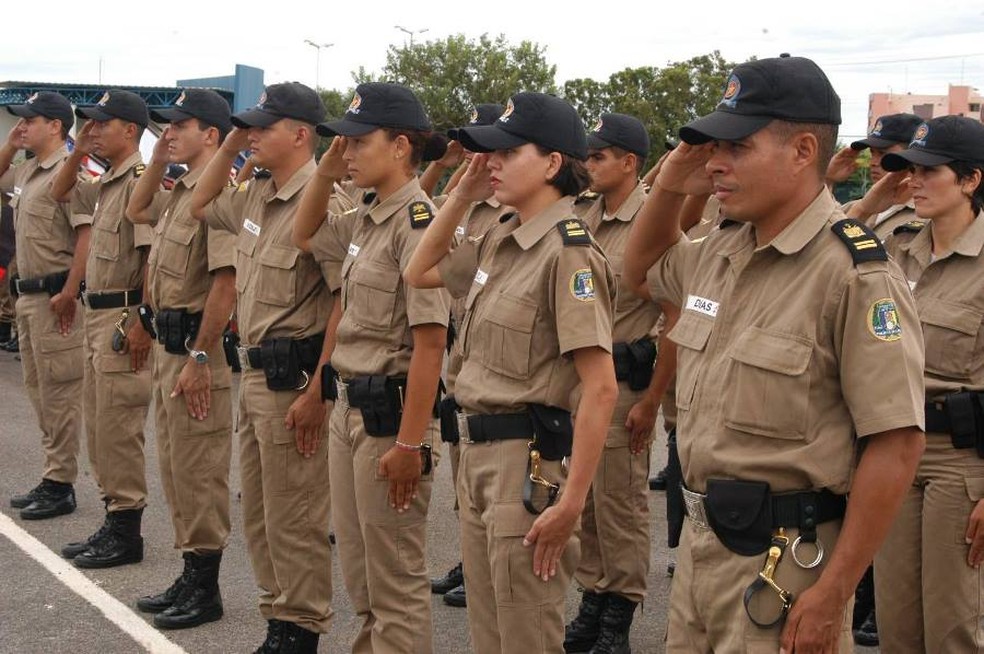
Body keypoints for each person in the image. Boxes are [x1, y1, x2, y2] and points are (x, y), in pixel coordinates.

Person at [622, 55, 926, 652]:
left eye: (737, 146)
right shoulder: (722, 249)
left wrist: (835, 591)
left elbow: (896, 444)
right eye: (714, 147)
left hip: (785, 567)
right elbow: (640, 271)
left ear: (803, 150)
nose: (716, 162)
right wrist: (672, 181)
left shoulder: (854, 275)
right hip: (702, 553)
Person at [403, 91, 618, 654]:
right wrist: (461, 194)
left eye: (506, 151)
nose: (490, 162)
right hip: (477, 455)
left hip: (526, 467)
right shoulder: (501, 235)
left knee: (525, 637)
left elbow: (600, 387)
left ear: (552, 163)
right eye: (488, 152)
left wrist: (571, 503)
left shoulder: (568, 253)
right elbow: (418, 269)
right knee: (489, 635)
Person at [292, 81, 450, 654]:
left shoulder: (419, 223)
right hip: (349, 409)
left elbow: (431, 344)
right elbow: (304, 235)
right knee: (361, 573)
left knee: (394, 577)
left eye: (359, 141)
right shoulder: (366, 216)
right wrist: (326, 171)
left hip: (390, 419)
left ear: (401, 146)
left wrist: (410, 444)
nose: (348, 151)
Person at [190, 81, 336, 654]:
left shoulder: (324, 203)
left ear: (300, 135)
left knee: (295, 514)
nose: (251, 134)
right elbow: (201, 204)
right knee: (260, 513)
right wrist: (231, 146)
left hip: (293, 381)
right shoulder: (256, 194)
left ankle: (300, 629)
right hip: (253, 375)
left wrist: (320, 389)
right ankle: (278, 619)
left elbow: (344, 302)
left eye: (262, 127)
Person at [124, 88, 237, 629]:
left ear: (211, 135)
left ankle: (205, 587)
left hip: (198, 352)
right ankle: (190, 571)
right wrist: (158, 160)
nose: (168, 132)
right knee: (175, 468)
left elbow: (225, 283)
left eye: (180, 125)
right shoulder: (181, 190)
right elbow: (136, 209)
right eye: (166, 125)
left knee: (200, 472)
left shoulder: (218, 196)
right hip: (171, 350)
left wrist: (201, 356)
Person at [873, 115, 984, 653]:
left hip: (960, 462)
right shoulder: (895, 248)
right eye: (909, 169)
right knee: (895, 623)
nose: (912, 181)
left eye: (928, 171)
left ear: (971, 179)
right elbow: (828, 241)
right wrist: (872, 200)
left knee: (951, 626)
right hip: (892, 451)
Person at [562, 112, 662, 653]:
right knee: (587, 500)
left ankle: (619, 612)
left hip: (625, 384)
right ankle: (594, 596)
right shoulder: (584, 214)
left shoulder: (653, 221)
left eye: (599, 156)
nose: (589, 164)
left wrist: (652, 400)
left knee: (620, 502)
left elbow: (676, 315)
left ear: (629, 162)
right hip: (582, 381)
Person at [50, 89, 155, 568]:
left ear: (130, 130)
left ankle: (127, 531)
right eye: (88, 123)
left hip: (122, 317)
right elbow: (60, 192)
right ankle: (115, 517)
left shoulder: (140, 181)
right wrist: (78, 147)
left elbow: (151, 256)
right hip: (97, 316)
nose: (92, 130)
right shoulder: (109, 180)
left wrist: (143, 322)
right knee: (99, 426)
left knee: (118, 429)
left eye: (102, 123)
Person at [429, 102, 510, 610]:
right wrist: (458, 187)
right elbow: (422, 261)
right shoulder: (473, 204)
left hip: (505, 387)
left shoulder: (509, 213)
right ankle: (468, 554)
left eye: (487, 146)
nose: (477, 156)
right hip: (464, 362)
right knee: (464, 479)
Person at [0, 91, 86, 520]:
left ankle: (61, 483)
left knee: (59, 393)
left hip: (55, 299)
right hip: (28, 298)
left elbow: (86, 233)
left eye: (29, 120)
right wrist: (10, 145)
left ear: (55, 126)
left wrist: (71, 290)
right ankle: (53, 474)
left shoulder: (70, 174)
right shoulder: (28, 170)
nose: (22, 126)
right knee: (38, 391)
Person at [826, 112, 924, 241]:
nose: (873, 162)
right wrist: (827, 179)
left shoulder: (926, 216)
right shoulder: (856, 206)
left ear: (911, 157)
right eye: (872, 153)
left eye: (883, 154)